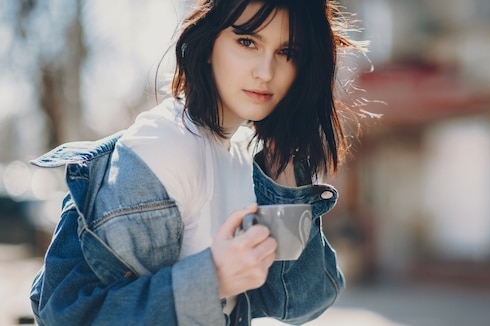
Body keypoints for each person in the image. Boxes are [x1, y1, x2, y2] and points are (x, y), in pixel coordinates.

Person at [28, 0, 366, 325]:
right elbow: (66, 314)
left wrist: (284, 176)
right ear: (208, 44)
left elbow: (300, 303)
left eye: (287, 52)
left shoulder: (248, 155)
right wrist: (211, 278)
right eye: (247, 41)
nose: (266, 72)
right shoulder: (166, 147)